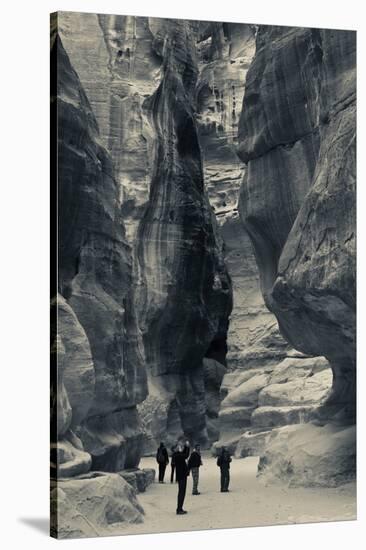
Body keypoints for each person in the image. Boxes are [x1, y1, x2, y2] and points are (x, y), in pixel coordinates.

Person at [172, 440, 190, 514]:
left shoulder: (176, 455)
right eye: (177, 446)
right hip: (181, 475)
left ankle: (180, 508)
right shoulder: (177, 455)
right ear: (175, 449)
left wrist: (186, 447)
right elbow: (185, 455)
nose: (179, 447)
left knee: (182, 492)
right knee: (181, 492)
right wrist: (187, 447)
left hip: (181, 475)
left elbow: (183, 454)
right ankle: (179, 509)